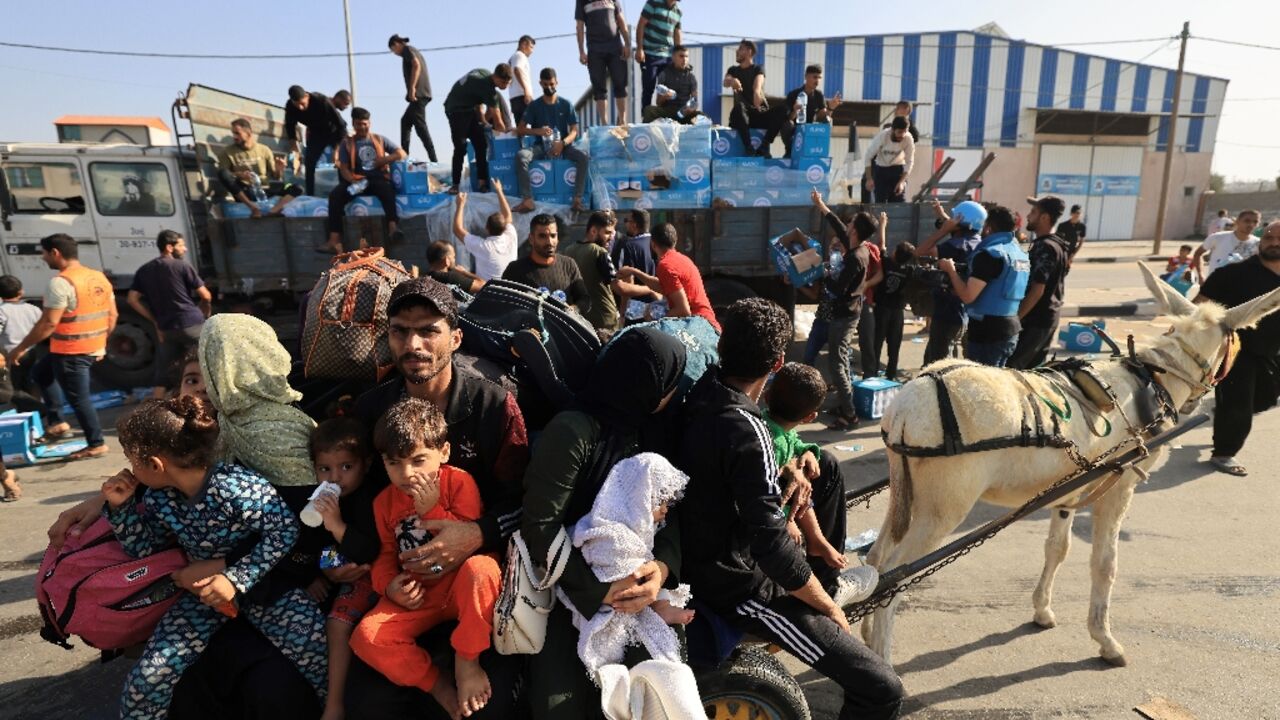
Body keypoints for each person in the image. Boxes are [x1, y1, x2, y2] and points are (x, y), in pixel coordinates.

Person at [678, 298, 903, 720]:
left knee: (828, 468)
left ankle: (823, 576)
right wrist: (827, 607)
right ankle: (823, 589)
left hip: (721, 551)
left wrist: (789, 466)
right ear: (778, 361)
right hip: (741, 588)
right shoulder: (746, 429)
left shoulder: (703, 392)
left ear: (722, 347)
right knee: (882, 688)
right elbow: (771, 545)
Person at [348, 277, 529, 719]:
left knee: (494, 707)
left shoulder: (493, 407)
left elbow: (530, 502)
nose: (413, 344)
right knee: (369, 699)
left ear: (456, 336)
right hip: (409, 589)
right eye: (400, 330)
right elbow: (364, 508)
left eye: (428, 329)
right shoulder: (371, 412)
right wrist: (381, 576)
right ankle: (438, 685)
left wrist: (476, 533)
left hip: (479, 584)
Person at [102, 395, 328, 719]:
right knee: (148, 679)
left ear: (155, 464)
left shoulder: (235, 486)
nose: (129, 470)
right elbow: (145, 550)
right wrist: (120, 508)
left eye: (132, 460)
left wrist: (235, 579)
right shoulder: (158, 497)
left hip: (269, 593)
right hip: (202, 600)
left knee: (319, 656)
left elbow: (285, 532)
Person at [521, 326, 687, 719]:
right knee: (559, 705)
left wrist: (660, 570)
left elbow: (669, 512)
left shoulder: (649, 431)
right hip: (569, 588)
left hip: (639, 586)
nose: (672, 394)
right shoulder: (574, 431)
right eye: (669, 383)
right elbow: (540, 526)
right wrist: (601, 592)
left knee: (659, 691)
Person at [351, 397, 500, 719]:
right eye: (394, 463)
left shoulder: (459, 482)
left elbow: (468, 538)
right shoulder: (383, 503)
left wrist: (430, 509)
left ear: (444, 452)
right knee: (367, 637)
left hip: (460, 584)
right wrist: (389, 586)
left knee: (483, 569)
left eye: (418, 461)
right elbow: (386, 554)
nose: (406, 474)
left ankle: (467, 661)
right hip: (420, 595)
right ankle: (437, 685)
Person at [8, 233, 116, 460]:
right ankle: (57, 421)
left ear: (55, 253)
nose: (43, 257)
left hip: (70, 351)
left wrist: (20, 348)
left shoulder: (60, 283)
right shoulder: (98, 277)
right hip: (87, 346)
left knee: (80, 398)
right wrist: (100, 343)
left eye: (44, 253)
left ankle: (96, 443)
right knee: (41, 372)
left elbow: (48, 323)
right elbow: (112, 315)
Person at [307, 418, 381, 720]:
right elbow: (312, 543)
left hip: (375, 574)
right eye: (325, 469)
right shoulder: (319, 498)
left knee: (338, 623)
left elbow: (369, 551)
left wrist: (336, 525)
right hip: (341, 573)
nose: (335, 477)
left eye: (346, 467)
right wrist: (321, 573)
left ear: (366, 464)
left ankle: (334, 706)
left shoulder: (372, 497)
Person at [1195, 220, 1280, 477]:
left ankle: (1225, 413)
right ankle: (1224, 452)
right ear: (1259, 241)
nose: (1274, 243)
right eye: (1268, 238)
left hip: (1273, 351)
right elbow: (1199, 306)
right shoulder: (1233, 274)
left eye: (1279, 239)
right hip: (1235, 351)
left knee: (1265, 398)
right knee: (1238, 403)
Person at [763, 363, 848, 570]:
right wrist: (786, 521)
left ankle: (817, 541)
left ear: (766, 395)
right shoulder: (776, 443)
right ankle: (817, 544)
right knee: (801, 491)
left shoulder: (771, 423)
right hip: (780, 509)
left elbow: (795, 441)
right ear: (810, 417)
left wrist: (809, 451)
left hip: (789, 501)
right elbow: (771, 492)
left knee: (806, 484)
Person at [811, 191, 877, 429]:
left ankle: (849, 415)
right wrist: (821, 205)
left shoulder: (855, 258)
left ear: (855, 230)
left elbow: (838, 290)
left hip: (845, 314)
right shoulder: (858, 245)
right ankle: (845, 404)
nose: (847, 225)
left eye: (851, 223)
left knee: (837, 365)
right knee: (841, 361)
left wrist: (823, 273)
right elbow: (838, 226)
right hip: (849, 311)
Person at [939, 204, 1030, 368]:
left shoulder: (990, 254)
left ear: (988, 228)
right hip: (1010, 329)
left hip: (987, 334)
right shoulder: (1019, 253)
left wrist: (951, 270)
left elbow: (968, 296)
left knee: (982, 389)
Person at [128, 229, 213, 398]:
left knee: (164, 372)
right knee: (210, 363)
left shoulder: (145, 270)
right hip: (192, 324)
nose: (185, 249)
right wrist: (206, 309)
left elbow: (132, 299)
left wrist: (155, 321)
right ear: (169, 247)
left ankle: (154, 414)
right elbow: (206, 295)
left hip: (167, 329)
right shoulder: (182, 266)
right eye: (181, 245)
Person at [323, 107, 408, 254]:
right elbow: (343, 167)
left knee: (387, 191)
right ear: (353, 125)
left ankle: (393, 227)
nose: (362, 127)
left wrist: (383, 160)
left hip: (377, 178)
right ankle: (334, 239)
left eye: (364, 123)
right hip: (357, 180)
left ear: (369, 123)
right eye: (358, 124)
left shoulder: (380, 139)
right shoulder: (347, 143)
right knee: (335, 196)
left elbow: (401, 153)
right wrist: (351, 179)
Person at [916, 199, 986, 365]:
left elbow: (920, 252)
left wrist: (942, 230)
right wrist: (944, 217)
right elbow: (961, 231)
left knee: (936, 365)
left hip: (947, 314)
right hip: (968, 313)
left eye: (954, 218)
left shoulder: (955, 246)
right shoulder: (979, 243)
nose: (949, 221)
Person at [512, 68, 591, 213]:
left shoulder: (566, 104)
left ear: (557, 82)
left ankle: (577, 200)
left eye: (552, 84)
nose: (549, 87)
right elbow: (520, 129)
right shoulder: (534, 106)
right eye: (546, 84)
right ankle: (528, 200)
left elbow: (574, 130)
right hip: (540, 147)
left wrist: (563, 143)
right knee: (521, 156)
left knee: (583, 157)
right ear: (540, 83)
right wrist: (538, 131)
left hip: (563, 146)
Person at [561, 210, 653, 332]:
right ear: (593, 231)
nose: (611, 237)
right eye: (607, 232)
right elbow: (620, 288)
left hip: (579, 320)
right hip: (604, 322)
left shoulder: (568, 250)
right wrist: (651, 288)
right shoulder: (599, 252)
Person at [616, 222, 719, 330]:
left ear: (653, 244)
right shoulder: (682, 259)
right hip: (706, 323)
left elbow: (683, 310)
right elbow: (664, 287)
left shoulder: (666, 266)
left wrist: (655, 321)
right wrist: (635, 272)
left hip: (698, 327)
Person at [1010, 196, 1070, 370]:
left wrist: (1015, 320)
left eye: (1033, 212)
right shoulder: (1058, 244)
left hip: (1036, 320)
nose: (1028, 216)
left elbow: (1037, 290)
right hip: (1045, 318)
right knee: (1032, 372)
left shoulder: (1046, 247)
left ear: (1044, 217)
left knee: (1013, 370)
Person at [444, 65, 514, 193]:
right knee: (460, 147)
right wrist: (508, 138)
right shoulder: (489, 90)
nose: (506, 86)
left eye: (509, 83)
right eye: (504, 82)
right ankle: (455, 185)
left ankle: (482, 183)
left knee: (481, 145)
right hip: (455, 110)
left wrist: (482, 121)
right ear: (496, 77)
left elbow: (476, 98)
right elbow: (498, 123)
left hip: (470, 109)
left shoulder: (484, 73)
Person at [502, 214, 590, 310]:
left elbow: (584, 299)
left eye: (553, 236)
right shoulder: (515, 270)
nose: (549, 242)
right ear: (531, 239)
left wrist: (573, 309)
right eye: (542, 236)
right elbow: (502, 304)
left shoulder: (568, 265)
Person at [218, 118, 301, 217]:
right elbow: (226, 175)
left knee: (297, 188)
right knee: (222, 173)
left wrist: (279, 169)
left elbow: (276, 176)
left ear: (248, 133)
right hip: (245, 191)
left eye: (237, 133)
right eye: (233, 133)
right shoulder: (227, 152)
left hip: (265, 190)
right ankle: (253, 208)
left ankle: (273, 211)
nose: (235, 137)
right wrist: (239, 175)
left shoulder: (264, 150)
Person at [0, 275, 50, 423]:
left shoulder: (2, 311)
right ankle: (37, 418)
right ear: (21, 292)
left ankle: (36, 411)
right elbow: (43, 328)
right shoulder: (33, 309)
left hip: (11, 355)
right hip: (32, 353)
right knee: (30, 384)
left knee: (12, 389)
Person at [285, 85, 349, 196]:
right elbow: (290, 126)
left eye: (302, 104)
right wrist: (294, 147)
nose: (300, 108)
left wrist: (337, 149)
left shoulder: (321, 101)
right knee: (309, 163)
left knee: (340, 162)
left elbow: (342, 125)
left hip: (334, 131)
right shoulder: (290, 106)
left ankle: (344, 192)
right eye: (297, 104)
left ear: (307, 97)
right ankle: (310, 194)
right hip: (317, 134)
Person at [575, 0, 632, 125]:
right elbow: (579, 25)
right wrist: (581, 51)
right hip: (595, 50)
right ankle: (604, 124)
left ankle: (622, 121)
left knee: (620, 84)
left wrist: (627, 44)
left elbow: (620, 19)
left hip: (615, 47)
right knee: (599, 88)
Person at [724, 39, 783, 157]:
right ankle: (749, 147)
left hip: (756, 115)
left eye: (740, 49)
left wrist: (757, 94)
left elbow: (758, 84)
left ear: (749, 52)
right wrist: (732, 80)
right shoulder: (733, 70)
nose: (737, 51)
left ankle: (764, 145)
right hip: (742, 117)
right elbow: (725, 82)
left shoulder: (758, 68)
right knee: (738, 108)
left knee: (783, 110)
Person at [387, 35, 438, 163]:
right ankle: (404, 156)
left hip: (419, 94)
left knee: (420, 127)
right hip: (420, 94)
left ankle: (434, 159)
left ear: (396, 44)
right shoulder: (410, 51)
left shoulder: (408, 50)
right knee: (405, 122)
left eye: (393, 50)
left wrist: (412, 88)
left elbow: (416, 65)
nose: (394, 53)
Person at [451, 183, 517, 281]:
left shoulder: (483, 247)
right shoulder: (511, 235)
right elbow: (508, 216)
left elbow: (457, 230)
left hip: (488, 291)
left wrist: (460, 205)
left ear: (486, 228)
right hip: (510, 289)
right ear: (504, 228)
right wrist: (499, 190)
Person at [873, 241, 914, 381]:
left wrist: (883, 225)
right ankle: (890, 375)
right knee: (894, 345)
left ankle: (872, 373)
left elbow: (881, 245)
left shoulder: (886, 263)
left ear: (896, 253)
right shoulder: (909, 270)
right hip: (898, 311)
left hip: (882, 308)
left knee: (876, 342)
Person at [781, 64, 840, 159]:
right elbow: (788, 119)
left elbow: (823, 117)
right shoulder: (793, 94)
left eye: (819, 78)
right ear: (806, 77)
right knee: (787, 124)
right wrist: (795, 110)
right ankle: (790, 151)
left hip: (810, 129)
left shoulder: (818, 95)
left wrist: (830, 108)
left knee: (829, 120)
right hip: (795, 130)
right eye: (815, 77)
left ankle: (819, 151)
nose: (817, 81)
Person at [635, 0, 683, 108]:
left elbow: (677, 33)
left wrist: (678, 55)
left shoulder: (678, 11)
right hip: (650, 53)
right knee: (648, 86)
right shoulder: (653, 3)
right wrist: (639, 48)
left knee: (666, 89)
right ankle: (646, 116)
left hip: (668, 56)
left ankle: (663, 116)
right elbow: (641, 24)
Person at [1194, 209, 1261, 279]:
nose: (1251, 224)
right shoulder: (1217, 237)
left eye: (1255, 222)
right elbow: (1198, 253)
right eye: (1247, 221)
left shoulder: (1259, 243)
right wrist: (1200, 275)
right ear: (1237, 221)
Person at [641, 45, 699, 123]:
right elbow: (658, 102)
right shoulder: (664, 74)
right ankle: (646, 133)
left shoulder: (691, 77)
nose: (684, 59)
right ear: (673, 57)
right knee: (648, 110)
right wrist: (665, 97)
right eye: (681, 56)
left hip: (684, 112)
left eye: (686, 56)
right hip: (668, 111)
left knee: (701, 116)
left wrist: (691, 108)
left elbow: (694, 100)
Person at [864, 116, 915, 203]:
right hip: (881, 170)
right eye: (899, 132)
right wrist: (869, 178)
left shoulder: (908, 138)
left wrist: (902, 182)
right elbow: (868, 156)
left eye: (904, 132)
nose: (902, 135)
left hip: (898, 170)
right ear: (893, 130)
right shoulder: (883, 136)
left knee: (898, 202)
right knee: (880, 202)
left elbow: (909, 161)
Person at [611, 209, 655, 276]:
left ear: (634, 224)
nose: (625, 224)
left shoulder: (629, 246)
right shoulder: (657, 242)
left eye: (626, 220)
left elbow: (621, 275)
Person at [508, 35, 537, 125]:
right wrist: (526, 90)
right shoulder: (520, 55)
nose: (532, 51)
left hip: (515, 97)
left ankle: (521, 139)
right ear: (523, 44)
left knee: (521, 126)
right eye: (531, 47)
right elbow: (517, 70)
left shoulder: (512, 58)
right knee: (538, 120)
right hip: (522, 96)